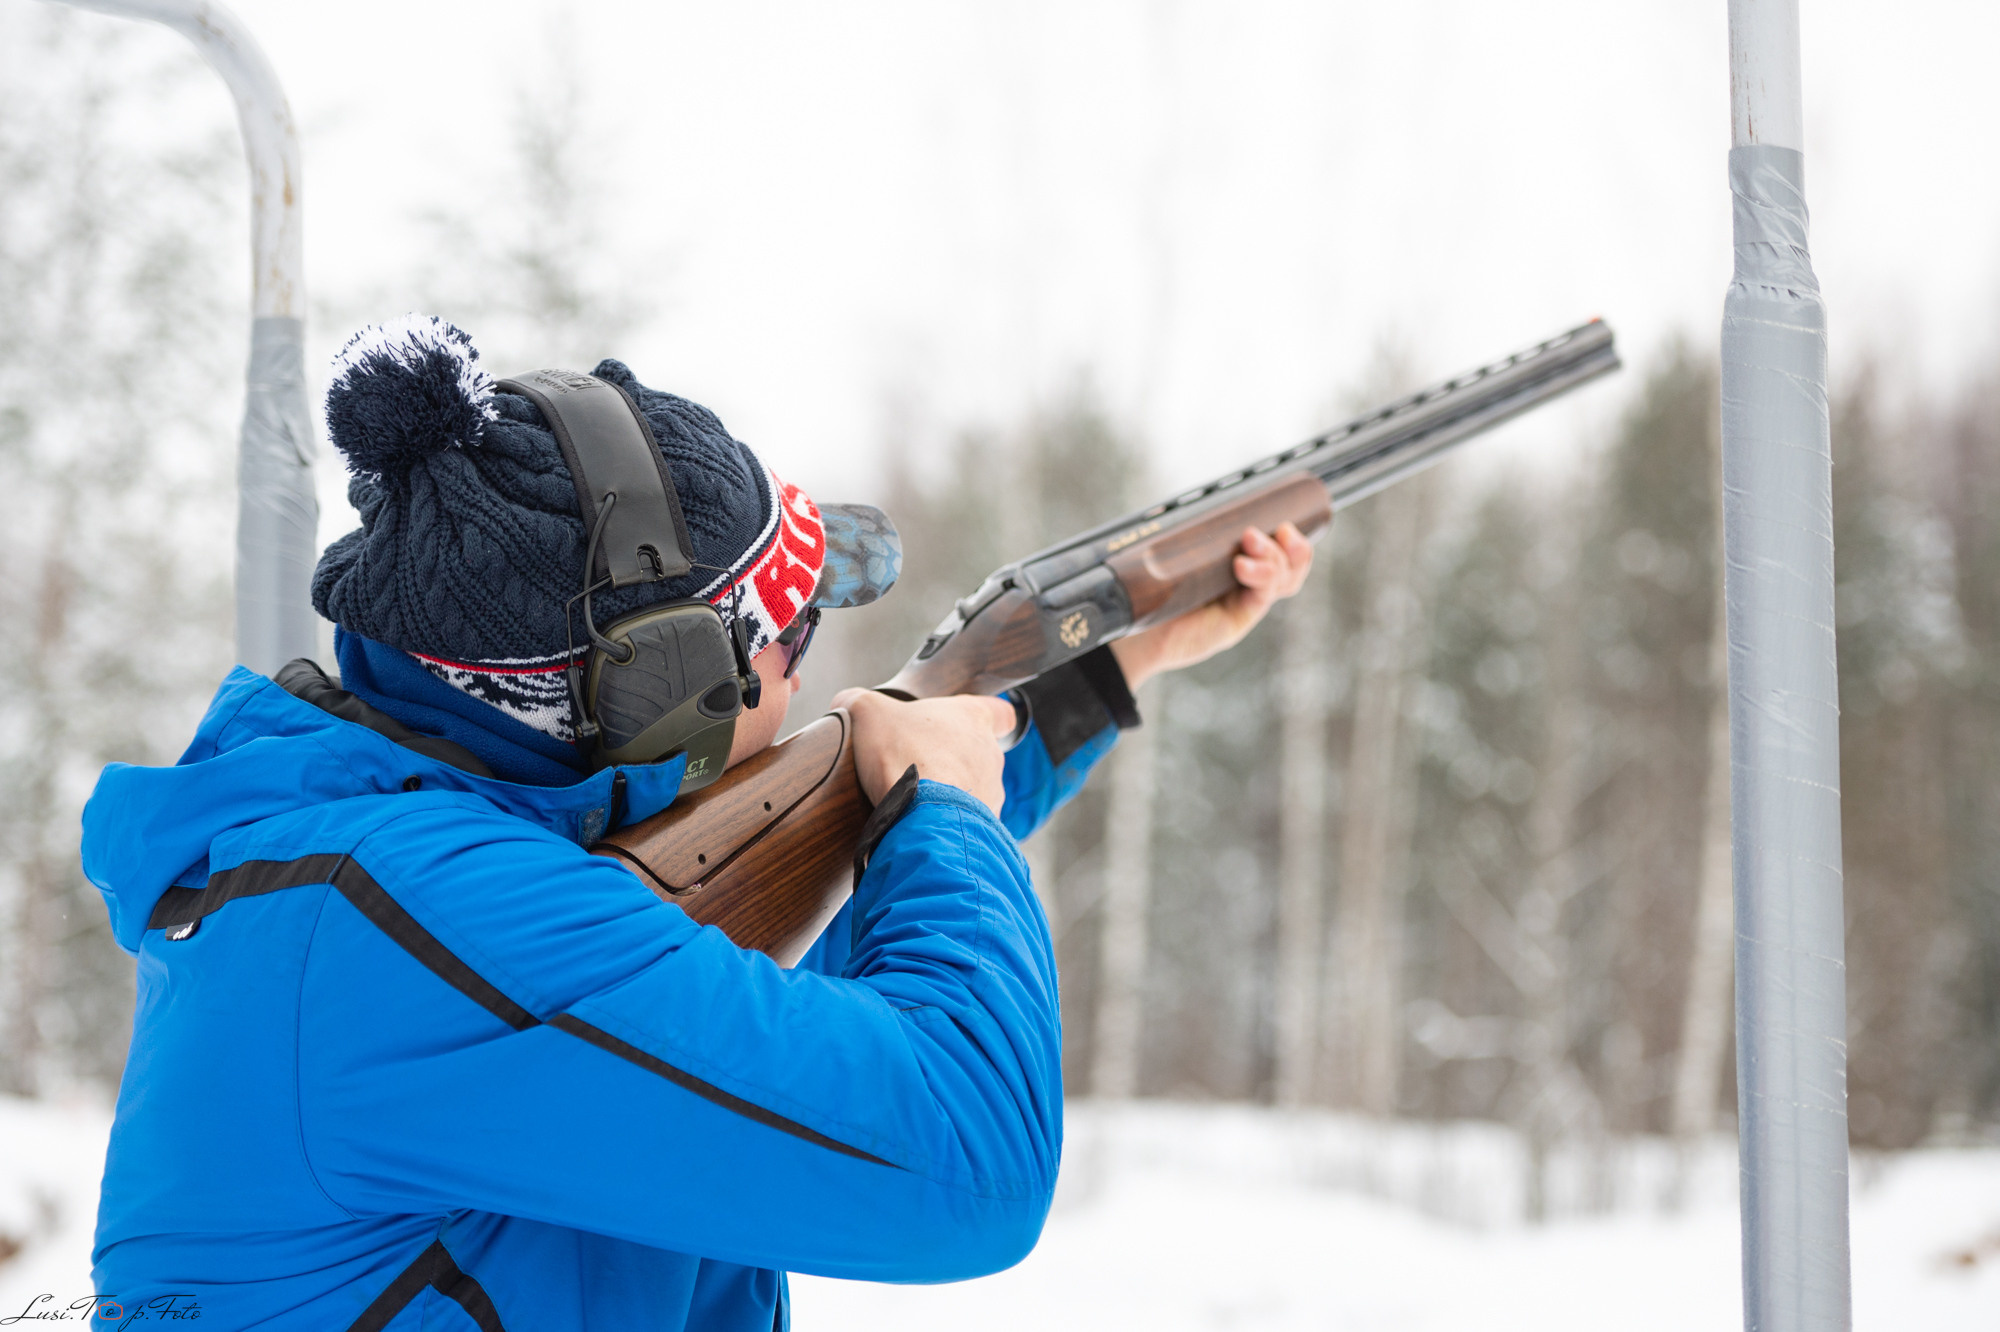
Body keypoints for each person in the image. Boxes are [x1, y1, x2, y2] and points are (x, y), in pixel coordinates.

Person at [81, 315, 1312, 1330]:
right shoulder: (418, 921)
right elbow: (966, 1159)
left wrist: (1109, 670)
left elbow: (790, 968)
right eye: (794, 635)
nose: (809, 675)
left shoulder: (409, 857)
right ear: (655, 688)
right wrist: (942, 807)